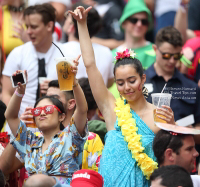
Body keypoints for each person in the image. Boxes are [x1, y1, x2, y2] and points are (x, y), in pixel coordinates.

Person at [68, 6, 175, 187]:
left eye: (132, 80)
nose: (127, 87)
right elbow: (91, 65)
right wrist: (82, 25)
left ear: (142, 79)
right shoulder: (112, 108)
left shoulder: (159, 113)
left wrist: (172, 127)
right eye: (120, 83)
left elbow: (173, 155)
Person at [5, 66, 88, 185]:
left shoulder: (71, 136)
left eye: (48, 109)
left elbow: (82, 109)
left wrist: (74, 84)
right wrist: (20, 91)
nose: (42, 113)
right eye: (37, 111)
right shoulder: (29, 141)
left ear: (62, 116)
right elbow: (10, 116)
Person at [1, 3, 66, 134]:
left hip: (53, 128)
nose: (28, 31)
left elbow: (70, 94)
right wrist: (16, 120)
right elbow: (6, 93)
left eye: (34, 27)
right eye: (27, 26)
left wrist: (56, 88)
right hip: (21, 125)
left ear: (49, 26)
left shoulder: (64, 54)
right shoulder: (17, 53)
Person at [145, 26, 200, 125]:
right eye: (166, 55)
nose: (172, 61)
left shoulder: (191, 87)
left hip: (181, 139)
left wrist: (183, 129)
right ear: (155, 49)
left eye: (176, 56)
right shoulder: (140, 82)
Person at [108, 0, 155, 98]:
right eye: (134, 20)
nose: (139, 24)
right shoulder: (111, 55)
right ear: (124, 23)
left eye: (144, 21)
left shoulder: (157, 52)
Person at [63, 2, 114, 88]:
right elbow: (109, 83)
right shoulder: (106, 52)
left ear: (71, 26)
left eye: (66, 17)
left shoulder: (60, 49)